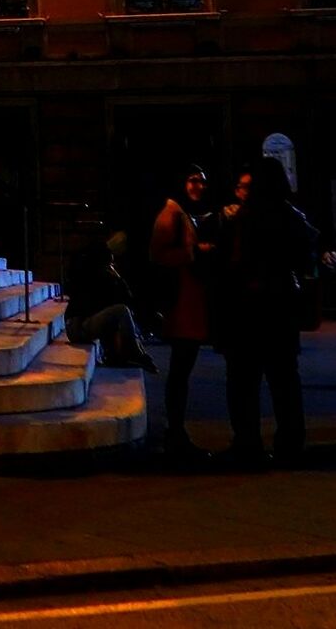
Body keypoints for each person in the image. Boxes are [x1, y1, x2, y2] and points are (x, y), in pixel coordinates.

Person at [215, 156, 320, 467]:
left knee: (243, 380)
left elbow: (231, 263)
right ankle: (290, 442)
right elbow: (305, 259)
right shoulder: (291, 216)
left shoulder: (243, 219)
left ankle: (247, 442)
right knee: (284, 379)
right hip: (281, 307)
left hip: (246, 310)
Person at [148, 165, 217, 461]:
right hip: (182, 305)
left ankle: (176, 432)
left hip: (189, 303)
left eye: (202, 181)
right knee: (179, 373)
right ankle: (175, 434)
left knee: (181, 372)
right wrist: (195, 253)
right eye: (193, 180)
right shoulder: (172, 213)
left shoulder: (182, 212)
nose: (198, 186)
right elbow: (158, 255)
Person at [62, 230, 158, 373]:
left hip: (80, 322)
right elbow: (122, 298)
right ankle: (135, 353)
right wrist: (118, 279)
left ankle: (121, 355)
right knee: (121, 311)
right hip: (78, 326)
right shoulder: (98, 271)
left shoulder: (96, 267)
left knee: (115, 314)